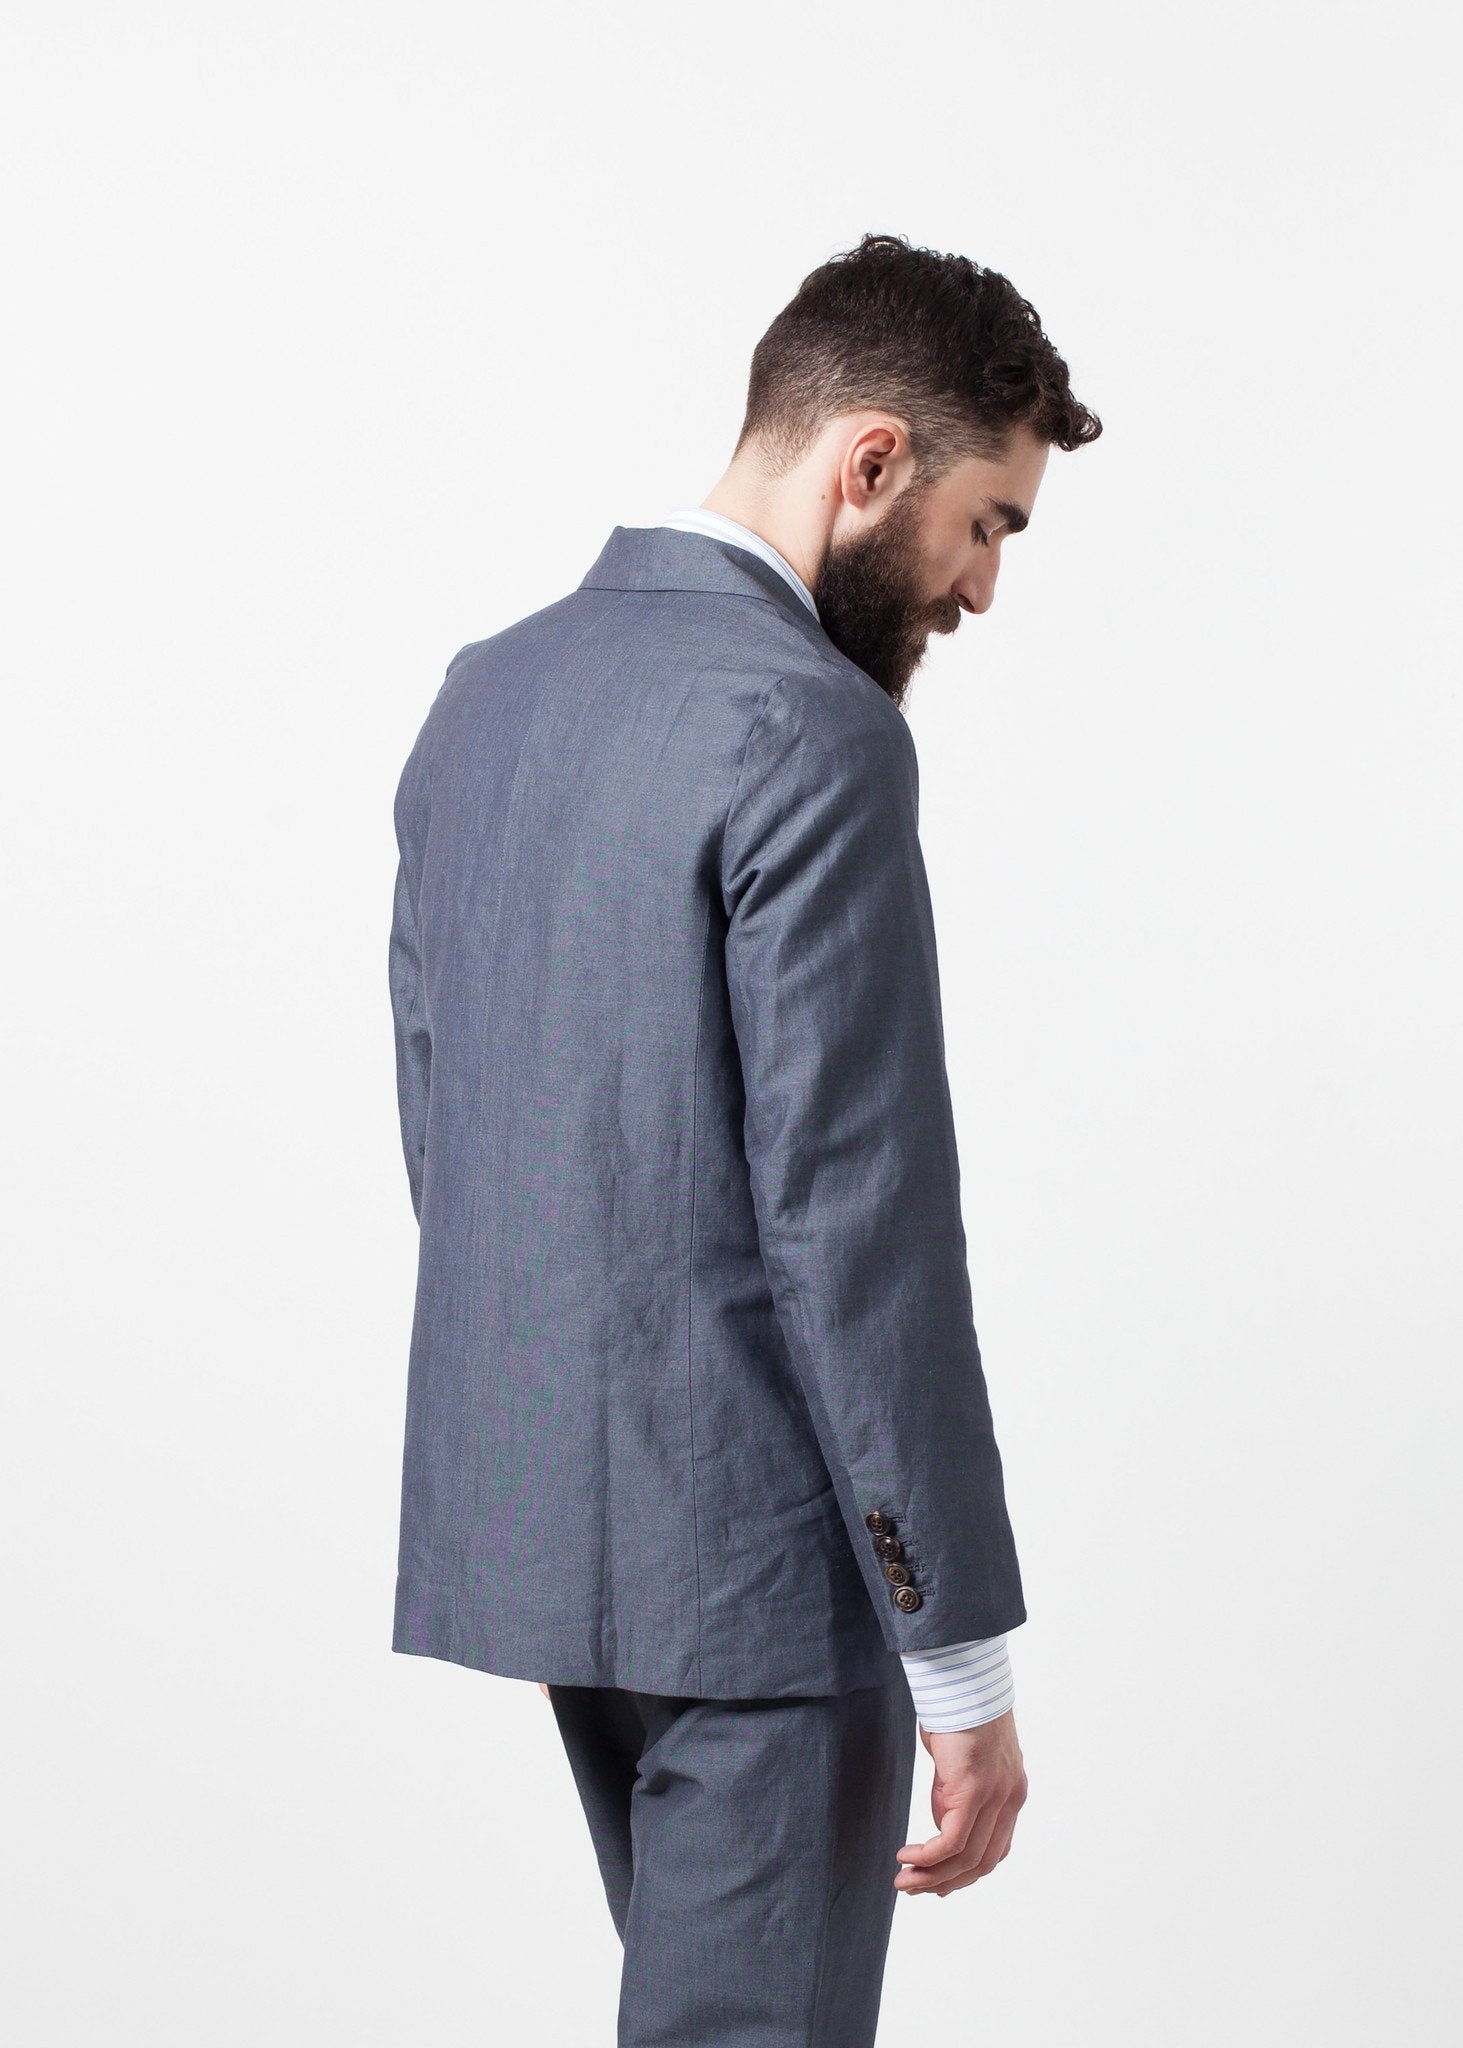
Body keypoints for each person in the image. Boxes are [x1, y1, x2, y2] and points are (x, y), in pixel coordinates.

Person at [387, 231, 1101, 2045]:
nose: (983, 586)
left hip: (559, 1540)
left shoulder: (491, 693)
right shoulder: (812, 727)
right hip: (765, 1580)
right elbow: (859, 1224)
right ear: (872, 460)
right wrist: (961, 1656)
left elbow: (447, 1109)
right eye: (987, 524)